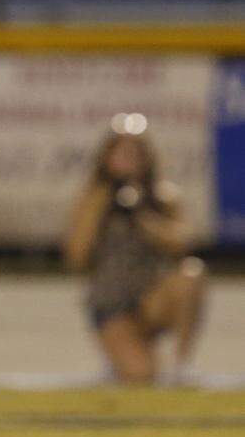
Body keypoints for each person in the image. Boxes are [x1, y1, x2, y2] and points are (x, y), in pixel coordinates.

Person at [64, 113, 207, 385]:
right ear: (107, 157)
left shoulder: (162, 196)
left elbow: (182, 242)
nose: (128, 160)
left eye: (135, 153)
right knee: (141, 376)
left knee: (191, 276)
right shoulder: (93, 197)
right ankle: (118, 358)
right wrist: (103, 206)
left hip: (151, 298)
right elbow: (76, 257)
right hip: (113, 303)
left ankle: (182, 365)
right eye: (121, 153)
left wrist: (141, 215)